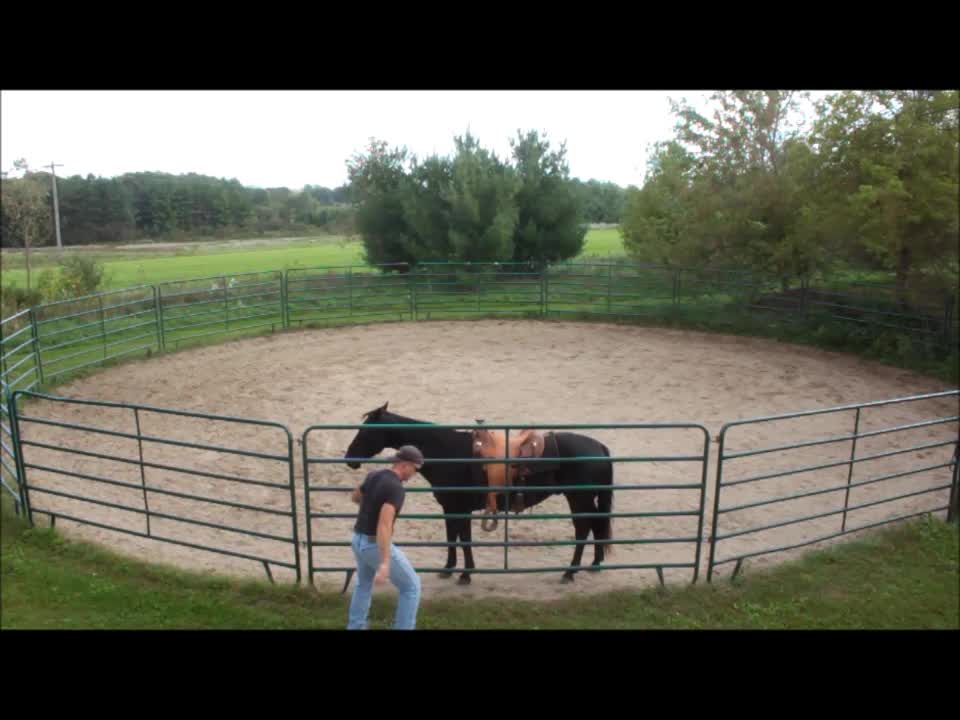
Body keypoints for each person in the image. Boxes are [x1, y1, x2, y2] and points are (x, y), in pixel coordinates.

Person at [347, 444, 424, 630]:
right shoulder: (396, 488)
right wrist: (385, 562)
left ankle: (355, 626)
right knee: (411, 587)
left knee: (363, 585)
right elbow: (384, 525)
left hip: (358, 539)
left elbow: (356, 496)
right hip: (373, 544)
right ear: (405, 465)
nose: (414, 474)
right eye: (415, 469)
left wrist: (371, 502)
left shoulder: (374, 474)